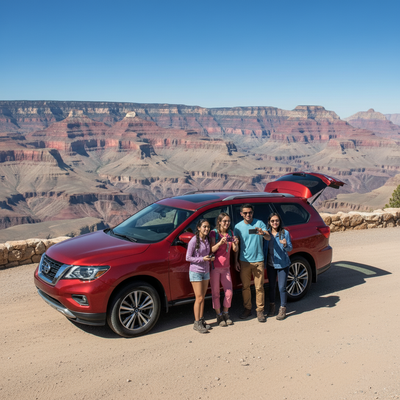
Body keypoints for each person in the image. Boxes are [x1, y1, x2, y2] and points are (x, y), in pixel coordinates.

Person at [234, 204, 270, 322]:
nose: (248, 215)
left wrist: (263, 233)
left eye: (250, 212)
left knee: (259, 287)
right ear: (241, 214)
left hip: (258, 260)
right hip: (244, 261)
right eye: (245, 213)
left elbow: (268, 237)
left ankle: (260, 311)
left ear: (253, 213)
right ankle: (247, 309)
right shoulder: (237, 227)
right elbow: (236, 245)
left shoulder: (259, 224)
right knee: (245, 287)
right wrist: (236, 261)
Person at [186, 219, 215, 333]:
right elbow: (188, 258)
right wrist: (202, 259)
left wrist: (210, 257)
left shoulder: (207, 239)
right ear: (198, 228)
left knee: (203, 297)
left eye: (208, 227)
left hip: (206, 271)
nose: (206, 229)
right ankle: (196, 322)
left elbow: (207, 254)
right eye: (204, 227)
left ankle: (201, 320)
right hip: (196, 272)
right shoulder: (193, 241)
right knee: (198, 298)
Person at [210, 213, 239, 327]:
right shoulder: (214, 233)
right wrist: (220, 242)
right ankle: (219, 315)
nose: (227, 223)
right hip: (215, 268)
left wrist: (235, 243)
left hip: (226, 268)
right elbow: (211, 249)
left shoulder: (230, 233)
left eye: (228, 221)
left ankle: (226, 313)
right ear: (219, 222)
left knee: (229, 292)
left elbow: (234, 249)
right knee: (216, 293)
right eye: (225, 221)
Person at [264, 212, 293, 320]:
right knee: (271, 287)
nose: (275, 223)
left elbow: (290, 248)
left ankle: (282, 308)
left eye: (277, 220)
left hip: (282, 264)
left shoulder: (285, 233)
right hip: (271, 264)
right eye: (272, 221)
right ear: (269, 222)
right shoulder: (267, 234)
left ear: (279, 221)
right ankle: (272, 307)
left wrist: (285, 244)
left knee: (281, 287)